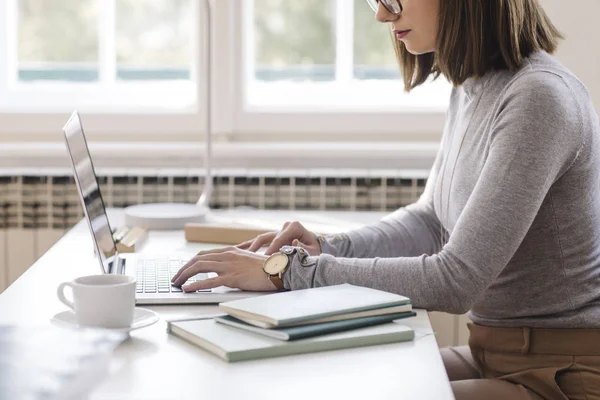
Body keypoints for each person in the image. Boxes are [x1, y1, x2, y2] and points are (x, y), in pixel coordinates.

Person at [172, 0, 600, 398]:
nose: (381, 14)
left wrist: (288, 272)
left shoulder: (538, 98)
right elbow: (432, 221)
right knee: (334, 375)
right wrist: (328, 247)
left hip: (561, 371)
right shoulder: (474, 86)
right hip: (493, 353)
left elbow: (456, 281)